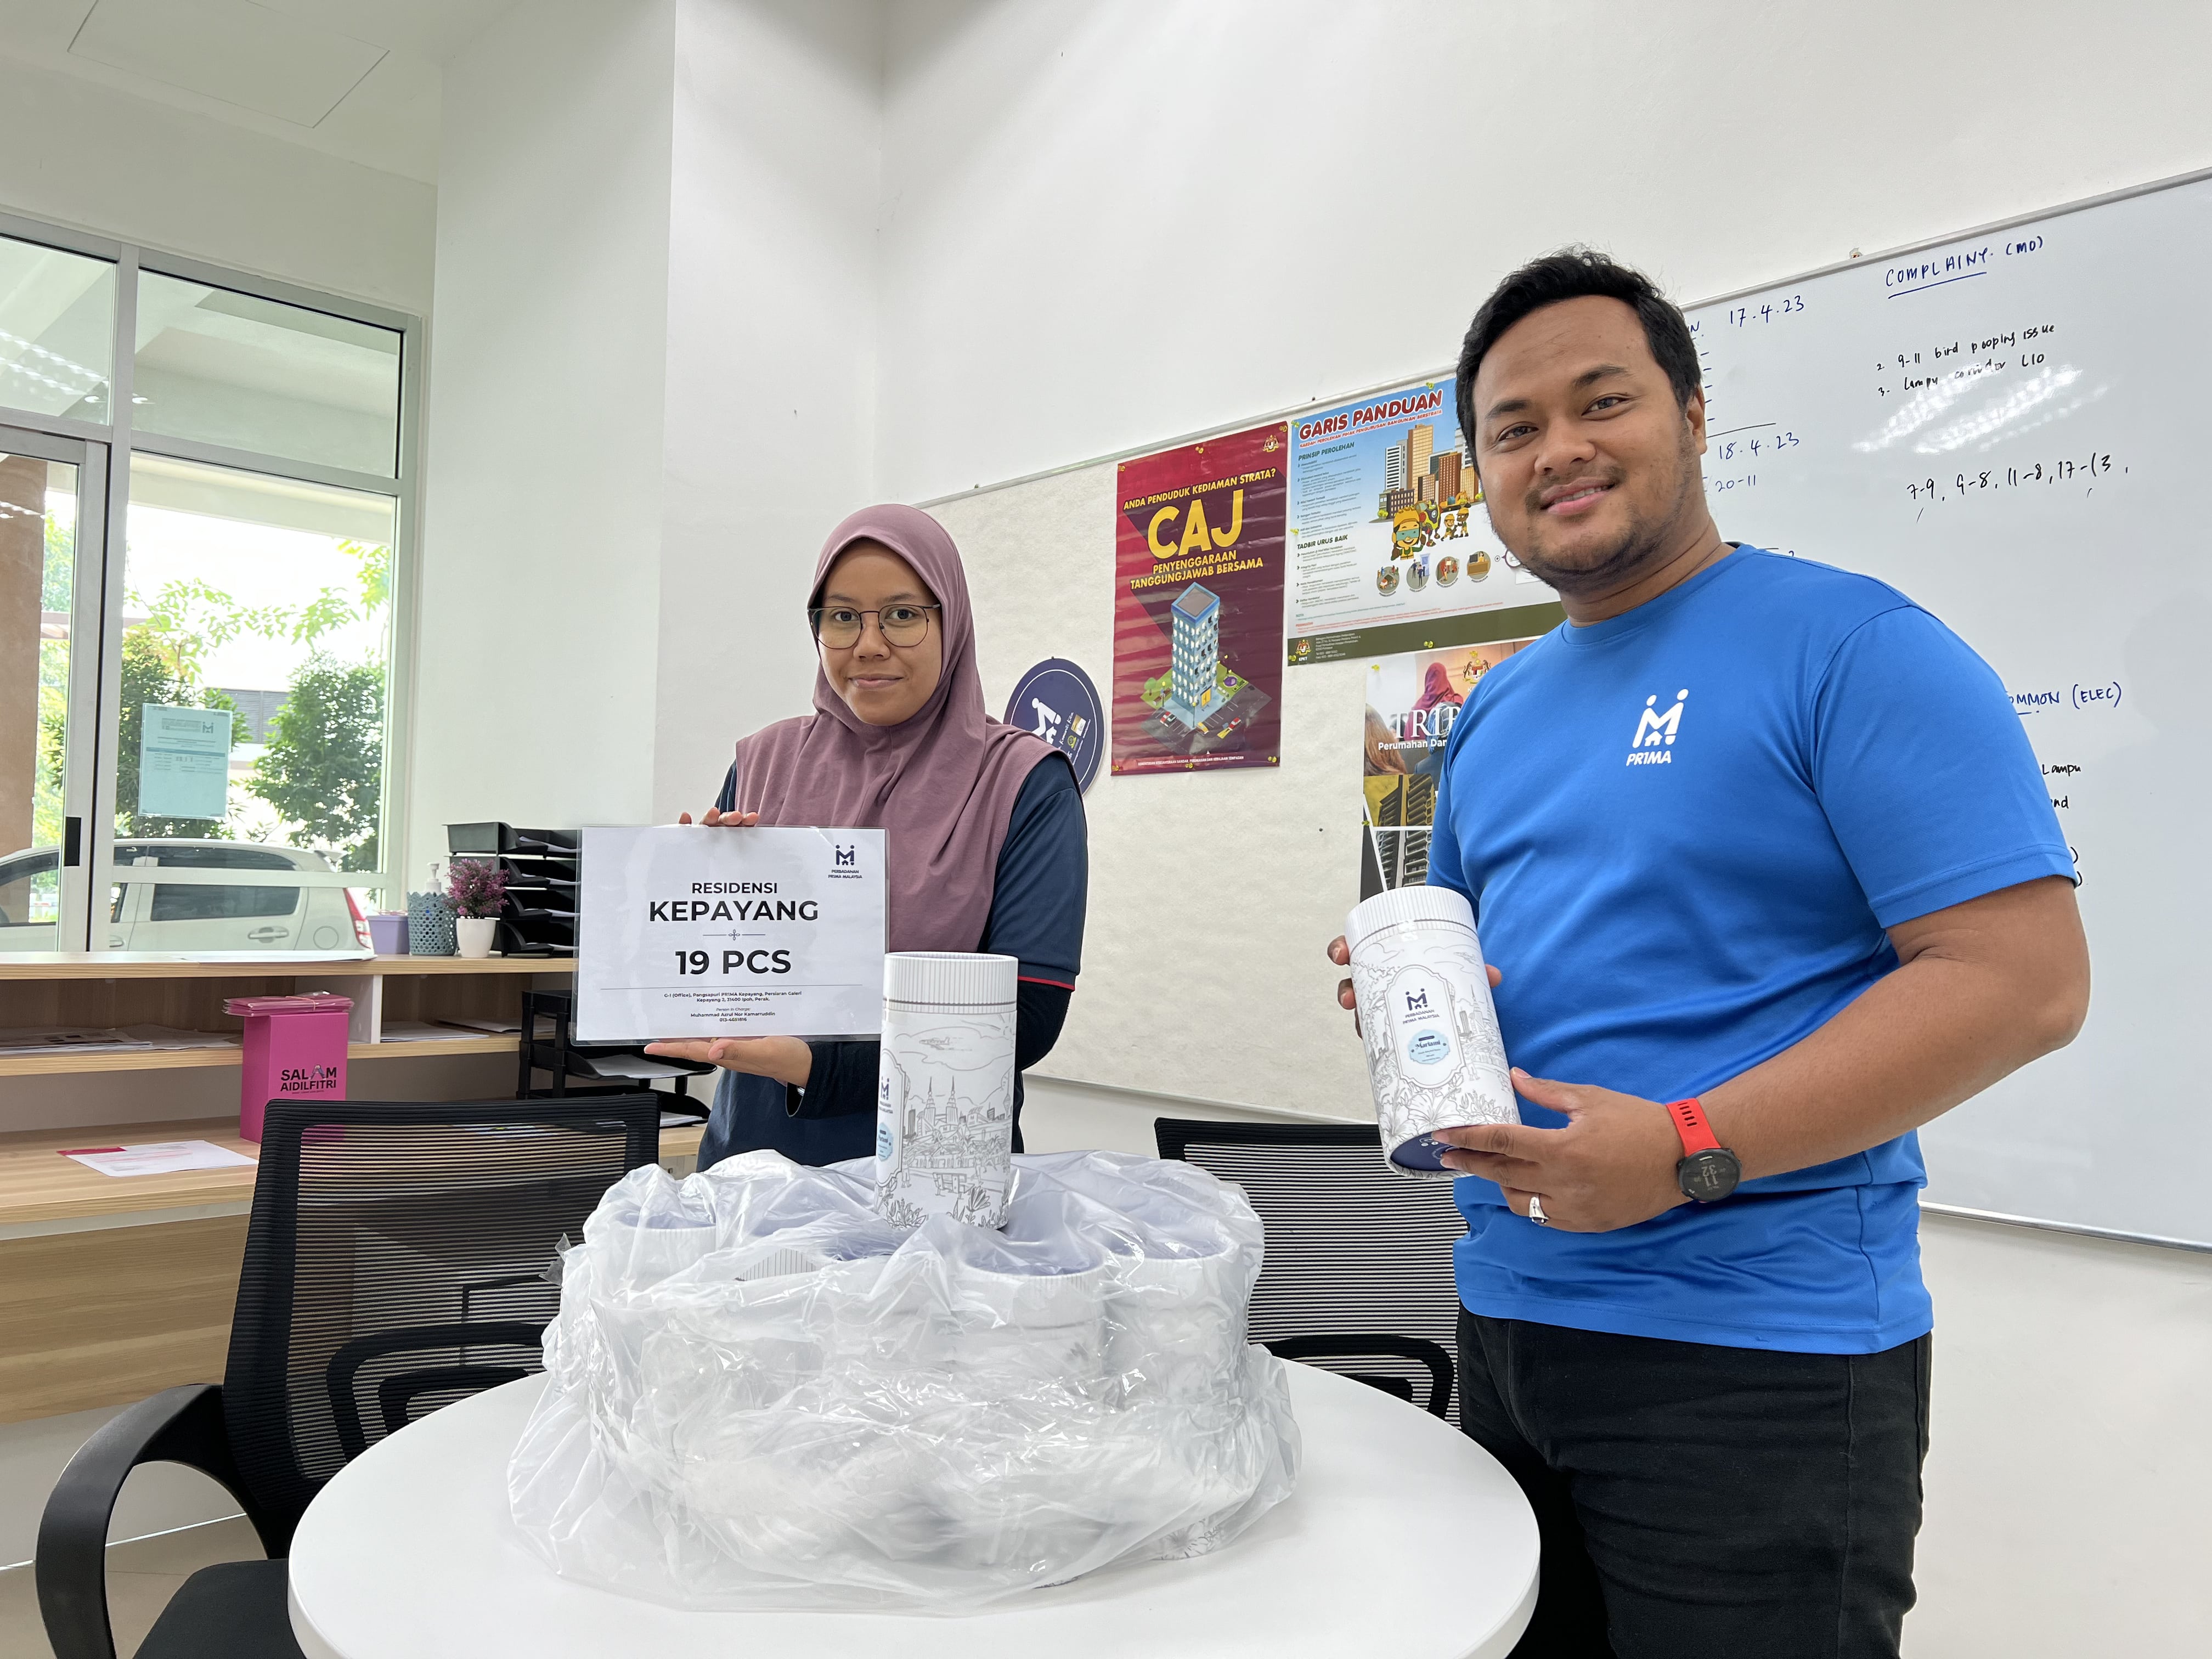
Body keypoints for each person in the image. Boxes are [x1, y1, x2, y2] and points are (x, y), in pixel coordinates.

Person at [1328, 251, 2089, 1657]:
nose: (1559, 449)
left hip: (1760, 1364)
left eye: (1600, 400)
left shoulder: (1852, 647)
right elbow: (1509, 974)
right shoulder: (1495, 712)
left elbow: (2023, 981)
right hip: (1506, 1323)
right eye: (1513, 429)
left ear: (1688, 412)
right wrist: (1416, 1001)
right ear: (1481, 474)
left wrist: (1690, 1144)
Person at [650, 504, 1087, 1169]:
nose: (869, 644)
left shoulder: (1023, 782)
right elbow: (707, 978)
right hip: (751, 1174)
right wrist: (692, 898)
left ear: (952, 622)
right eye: (843, 616)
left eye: (904, 615)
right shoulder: (763, 763)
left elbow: (1025, 1020)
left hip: (934, 1188)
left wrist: (815, 1069)